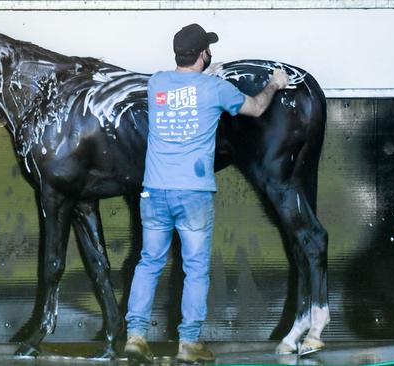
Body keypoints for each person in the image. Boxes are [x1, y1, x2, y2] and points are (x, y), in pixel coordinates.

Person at [124, 24, 289, 364]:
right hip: (193, 193)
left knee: (149, 263)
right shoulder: (215, 89)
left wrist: (204, 77)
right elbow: (257, 107)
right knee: (195, 268)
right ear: (203, 54)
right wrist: (274, 83)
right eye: (207, 49)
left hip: (154, 190)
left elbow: (183, 90)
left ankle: (135, 337)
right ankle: (188, 344)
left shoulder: (157, 82)